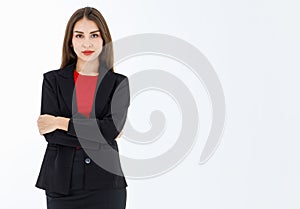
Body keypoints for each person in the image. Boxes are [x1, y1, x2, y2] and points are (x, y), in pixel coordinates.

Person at [35, 6, 130, 209]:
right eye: (79, 36)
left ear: (104, 39)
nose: (86, 43)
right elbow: (51, 136)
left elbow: (109, 130)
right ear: (70, 41)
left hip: (106, 185)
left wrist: (60, 122)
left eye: (94, 35)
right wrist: (100, 132)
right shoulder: (52, 80)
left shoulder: (118, 83)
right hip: (61, 184)